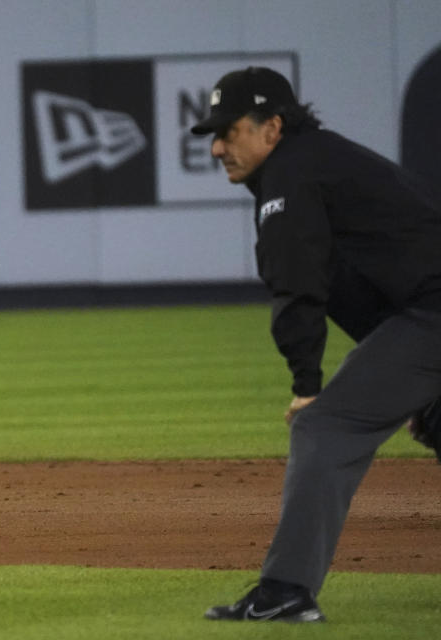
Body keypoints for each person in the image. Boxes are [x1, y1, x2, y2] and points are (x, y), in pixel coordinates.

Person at [191, 66, 441, 623]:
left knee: (324, 425)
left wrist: (308, 387)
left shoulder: (292, 174)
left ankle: (285, 591)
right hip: (424, 313)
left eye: (230, 131)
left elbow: (298, 287)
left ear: (272, 128)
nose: (216, 147)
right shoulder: (322, 160)